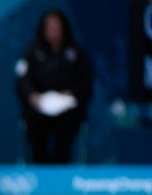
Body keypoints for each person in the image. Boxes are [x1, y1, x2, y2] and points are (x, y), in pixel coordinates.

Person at [15, 8, 94, 163]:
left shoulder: (76, 53)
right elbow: (22, 81)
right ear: (43, 30)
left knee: (68, 124)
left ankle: (61, 168)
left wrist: (71, 94)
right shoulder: (32, 52)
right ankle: (41, 167)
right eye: (50, 28)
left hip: (68, 111)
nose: (54, 32)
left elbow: (86, 83)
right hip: (39, 111)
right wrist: (32, 96)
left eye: (57, 28)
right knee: (34, 122)